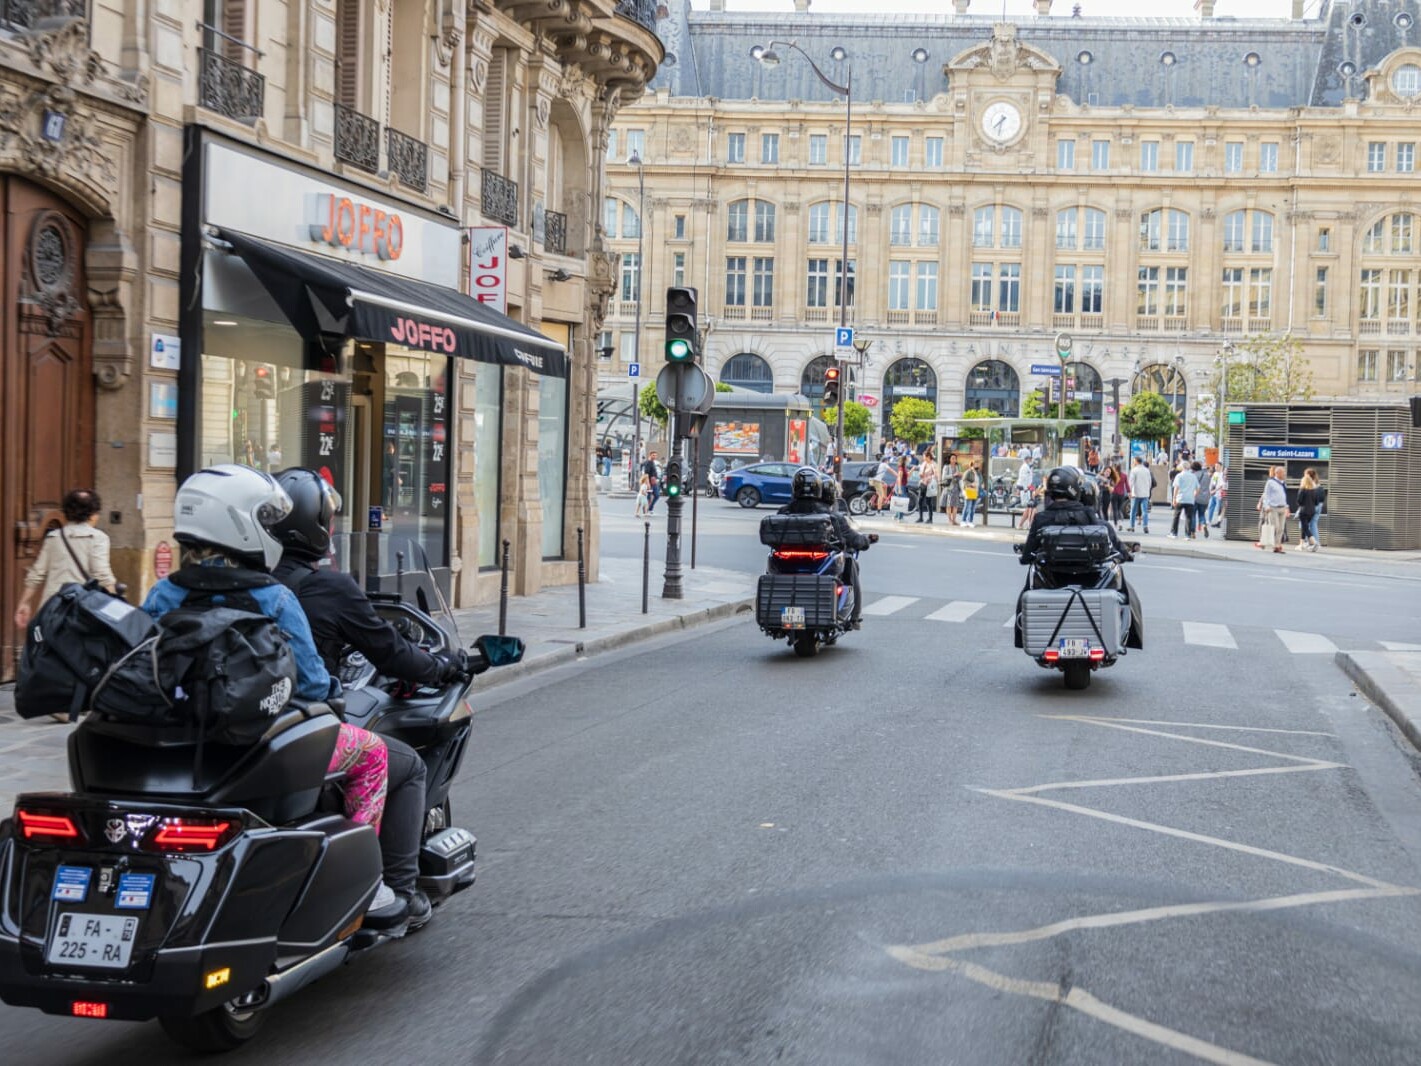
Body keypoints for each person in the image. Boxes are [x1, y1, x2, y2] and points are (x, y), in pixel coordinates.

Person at [140, 465, 406, 930]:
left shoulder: (163, 593)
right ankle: (369, 879)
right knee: (374, 755)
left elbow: (142, 662)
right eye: (264, 519)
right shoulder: (274, 598)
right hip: (259, 745)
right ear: (241, 525)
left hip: (182, 744)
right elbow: (313, 687)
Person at [271, 468, 460, 932]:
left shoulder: (248, 584)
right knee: (403, 765)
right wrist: (442, 667)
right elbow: (389, 652)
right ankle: (394, 887)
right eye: (329, 519)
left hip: (242, 727)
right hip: (299, 730)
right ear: (315, 527)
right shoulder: (323, 588)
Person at [1016, 466, 1142, 646]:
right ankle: (1127, 637)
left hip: (1053, 576)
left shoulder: (1041, 518)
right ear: (1074, 488)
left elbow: (1028, 552)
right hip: (1089, 575)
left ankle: (1022, 634)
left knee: (1026, 593)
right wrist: (1125, 554)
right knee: (1126, 594)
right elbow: (1109, 536)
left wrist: (1025, 558)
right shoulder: (1089, 514)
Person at [778, 468, 874, 629]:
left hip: (786, 560)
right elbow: (853, 539)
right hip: (819, 561)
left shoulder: (783, 512)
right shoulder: (832, 517)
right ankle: (855, 616)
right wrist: (866, 540)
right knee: (850, 562)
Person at [13, 489, 117, 630]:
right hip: (82, 613)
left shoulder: (54, 538)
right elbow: (102, 576)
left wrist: (24, 602)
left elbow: (37, 573)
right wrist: (116, 605)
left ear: (67, 512)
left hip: (51, 609)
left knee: (45, 650)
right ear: (93, 515)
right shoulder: (98, 539)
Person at [1256, 465, 1289, 553]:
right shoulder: (1270, 482)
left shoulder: (1283, 483)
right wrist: (1266, 506)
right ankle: (1265, 542)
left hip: (1282, 507)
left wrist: (1287, 507)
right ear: (1277, 473)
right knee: (1276, 527)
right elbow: (1266, 495)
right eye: (1283, 472)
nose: (1285, 474)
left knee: (1281, 528)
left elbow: (1284, 496)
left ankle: (1277, 546)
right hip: (1273, 508)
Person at [1169, 461, 1199, 539]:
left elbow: (1176, 488)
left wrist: (1174, 498)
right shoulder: (1193, 476)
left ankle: (1174, 533)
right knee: (1189, 517)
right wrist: (1194, 495)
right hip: (1190, 499)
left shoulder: (1179, 476)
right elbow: (1198, 488)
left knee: (1176, 516)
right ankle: (1187, 535)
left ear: (1182, 467)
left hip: (1180, 498)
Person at [1294, 467, 1320, 552]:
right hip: (1311, 511)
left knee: (1305, 528)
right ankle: (1301, 545)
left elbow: (1299, 501)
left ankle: (1314, 542)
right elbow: (1316, 502)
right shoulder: (1314, 491)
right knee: (1304, 527)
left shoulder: (1302, 490)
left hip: (1303, 511)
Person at [1127, 455, 1153, 534]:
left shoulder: (1134, 470)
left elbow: (1131, 482)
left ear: (1136, 462)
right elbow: (1150, 482)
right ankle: (1145, 526)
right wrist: (1148, 490)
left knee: (1133, 511)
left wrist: (1129, 491)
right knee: (1145, 511)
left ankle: (1132, 526)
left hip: (1136, 493)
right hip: (1145, 493)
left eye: (1134, 461)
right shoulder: (1147, 470)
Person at [915, 451, 938, 524]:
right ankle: (921, 517)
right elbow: (920, 473)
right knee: (920, 501)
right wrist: (921, 475)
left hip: (929, 484)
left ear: (928, 457)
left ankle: (930, 518)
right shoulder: (924, 464)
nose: (923, 458)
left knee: (928, 502)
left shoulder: (933, 464)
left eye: (924, 456)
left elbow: (936, 475)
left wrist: (930, 478)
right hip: (923, 483)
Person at [1192, 462, 1213, 539]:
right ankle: (1204, 525)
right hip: (1205, 498)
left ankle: (1192, 532)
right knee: (1202, 514)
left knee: (1193, 515)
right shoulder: (1207, 475)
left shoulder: (1194, 475)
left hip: (1196, 497)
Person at [961, 459, 982, 525]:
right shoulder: (968, 472)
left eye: (978, 464)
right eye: (976, 464)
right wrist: (971, 484)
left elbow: (981, 480)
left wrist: (982, 484)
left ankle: (970, 521)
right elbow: (964, 480)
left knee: (973, 508)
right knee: (967, 506)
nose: (978, 465)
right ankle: (963, 521)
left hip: (976, 491)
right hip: (969, 491)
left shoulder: (978, 473)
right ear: (972, 464)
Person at [1207, 463, 1228, 528]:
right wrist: (1210, 490)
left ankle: (1218, 522)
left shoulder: (1222, 474)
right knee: (1210, 506)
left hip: (1219, 494)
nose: (1216, 467)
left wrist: (1214, 490)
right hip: (1213, 493)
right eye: (1215, 466)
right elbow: (1213, 483)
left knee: (1219, 508)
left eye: (1217, 466)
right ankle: (1209, 520)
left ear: (1221, 467)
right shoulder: (1215, 474)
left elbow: (1222, 485)